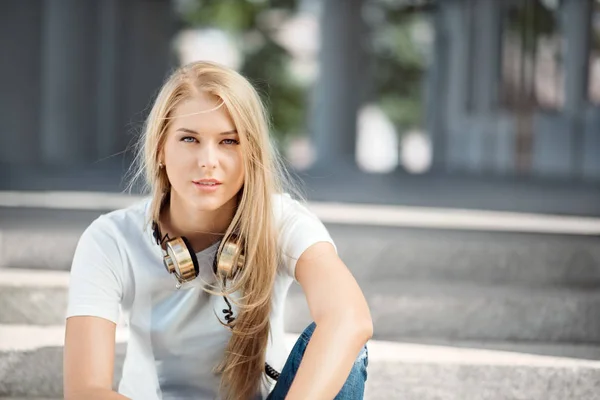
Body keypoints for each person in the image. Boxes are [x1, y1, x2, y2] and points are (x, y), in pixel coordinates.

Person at [63, 60, 373, 400]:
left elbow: (350, 318)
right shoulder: (111, 239)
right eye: (190, 139)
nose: (208, 160)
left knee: (343, 347)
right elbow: (85, 391)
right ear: (160, 149)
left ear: (251, 153)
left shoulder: (281, 220)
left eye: (229, 142)